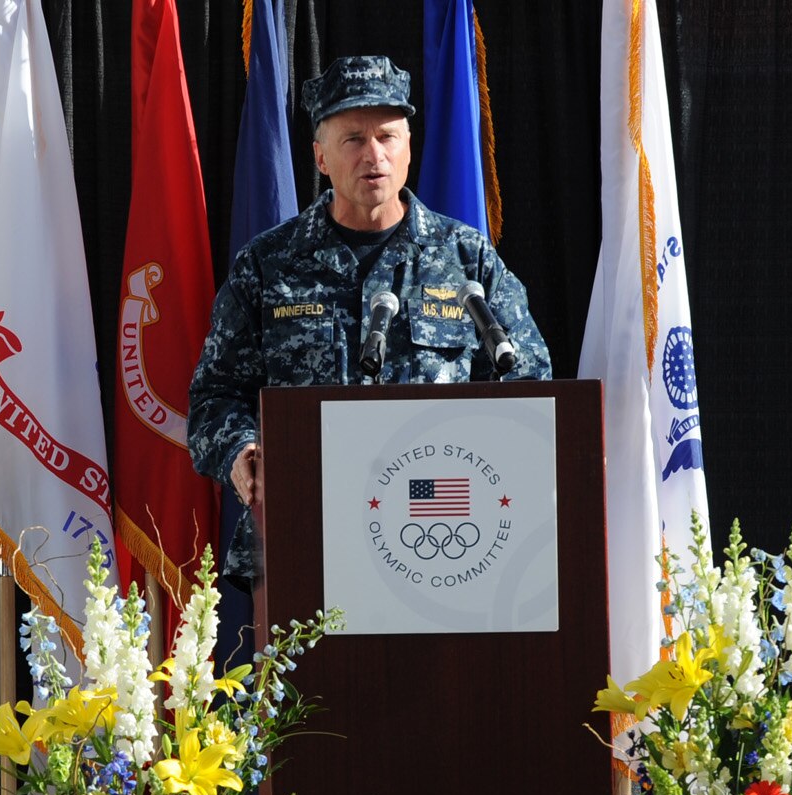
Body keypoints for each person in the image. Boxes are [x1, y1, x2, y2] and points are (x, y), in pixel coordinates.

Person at [189, 55, 550, 578]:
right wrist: (240, 452)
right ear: (320, 157)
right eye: (353, 139)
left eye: (388, 137)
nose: (373, 155)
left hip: (445, 537)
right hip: (305, 536)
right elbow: (213, 397)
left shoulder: (466, 259)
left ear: (409, 149)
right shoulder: (267, 267)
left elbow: (530, 382)